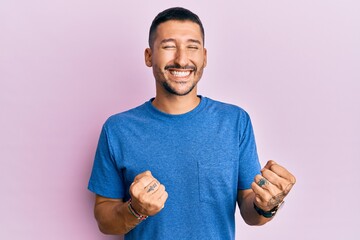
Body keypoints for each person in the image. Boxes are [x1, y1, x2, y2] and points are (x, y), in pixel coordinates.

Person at [88, 7, 296, 240]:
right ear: (149, 56)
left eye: (192, 47)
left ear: (204, 57)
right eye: (168, 46)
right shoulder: (117, 129)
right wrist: (136, 210)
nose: (181, 59)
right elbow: (104, 219)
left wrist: (267, 205)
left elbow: (251, 212)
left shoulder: (236, 121)